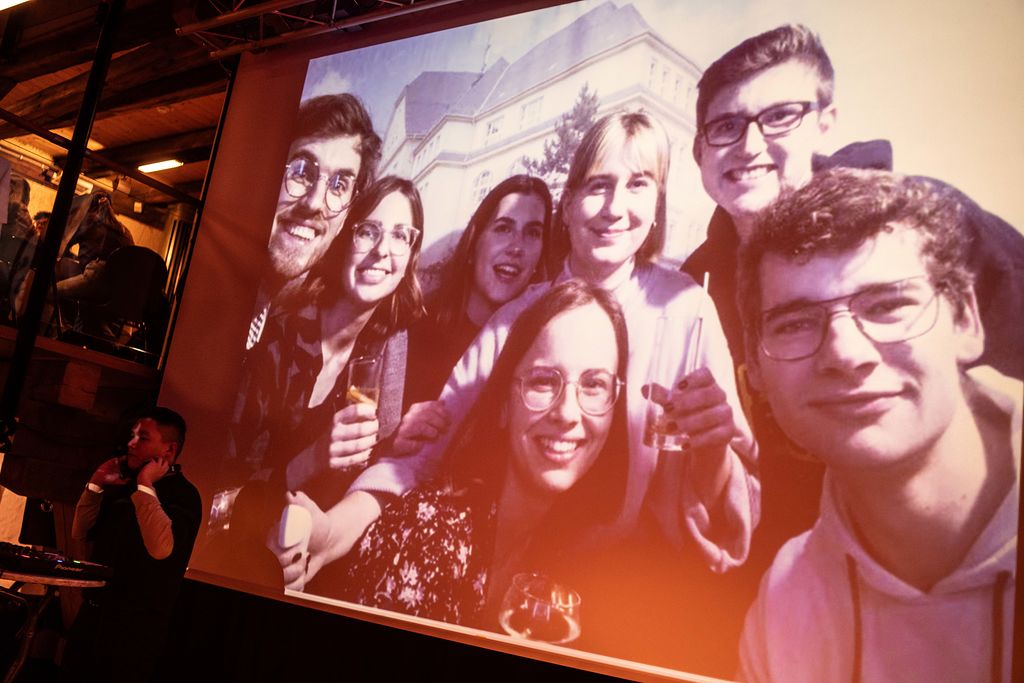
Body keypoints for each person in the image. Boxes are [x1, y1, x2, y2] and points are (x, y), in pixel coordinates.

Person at [312, 110, 758, 590]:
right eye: (598, 185)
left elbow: (735, 509)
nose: (614, 207)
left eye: (638, 185)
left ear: (657, 206)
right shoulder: (516, 317)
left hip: (629, 590)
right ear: (567, 206)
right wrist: (331, 532)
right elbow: (424, 455)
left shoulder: (687, 309)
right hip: (511, 577)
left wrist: (713, 450)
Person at [683, 22, 1024, 567]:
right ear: (700, 151)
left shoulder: (918, 226)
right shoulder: (694, 285)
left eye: (780, 116)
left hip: (939, 569)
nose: (750, 145)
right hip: (783, 572)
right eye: (726, 126)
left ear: (825, 123)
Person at [736, 168, 1019, 682]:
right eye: (795, 323)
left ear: (966, 320)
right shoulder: (783, 608)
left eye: (888, 305)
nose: (846, 354)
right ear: (753, 368)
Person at [341, 280, 628, 631]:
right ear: (504, 405)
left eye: (594, 384)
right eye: (543, 381)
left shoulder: (578, 556)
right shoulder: (426, 534)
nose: (567, 412)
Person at [217, 176, 425, 591]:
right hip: (226, 551)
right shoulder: (281, 329)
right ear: (346, 238)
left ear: (411, 254)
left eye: (401, 235)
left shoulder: (391, 344)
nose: (383, 250)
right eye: (369, 231)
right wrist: (313, 459)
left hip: (311, 551)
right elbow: (218, 491)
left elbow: (376, 466)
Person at [63, 407, 201, 682]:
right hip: (93, 616)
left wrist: (146, 484)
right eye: (133, 436)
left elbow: (161, 548)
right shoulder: (124, 485)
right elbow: (80, 532)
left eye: (143, 438)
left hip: (133, 631)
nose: (131, 444)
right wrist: (95, 485)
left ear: (169, 450)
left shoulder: (184, 496)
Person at [247, 93, 382, 350]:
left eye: (339, 185)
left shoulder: (286, 334)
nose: (314, 203)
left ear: (346, 217)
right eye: (301, 172)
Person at [404, 174, 552, 407]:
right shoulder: (414, 328)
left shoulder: (542, 346)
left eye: (533, 233)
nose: (516, 247)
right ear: (474, 242)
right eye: (503, 228)